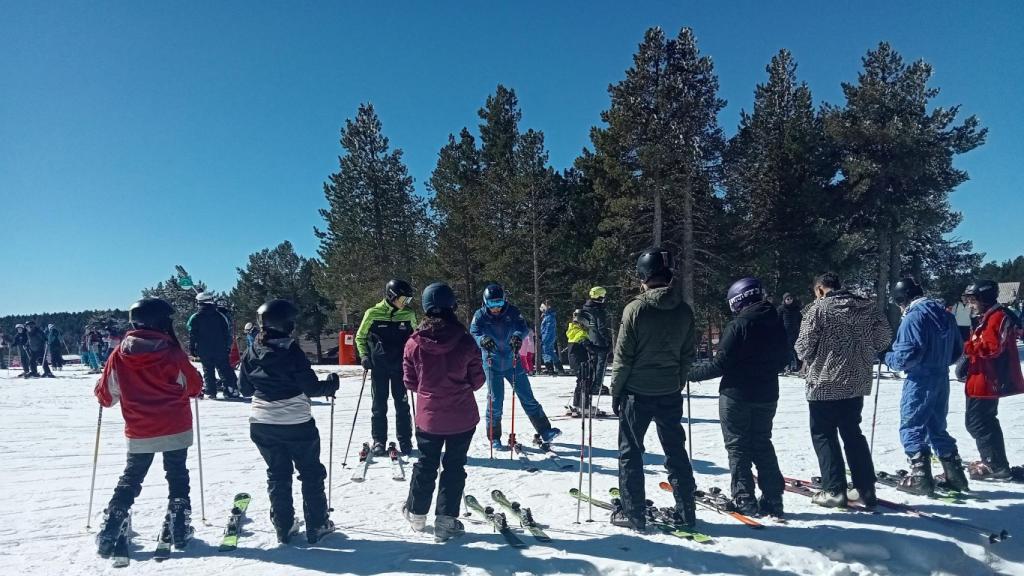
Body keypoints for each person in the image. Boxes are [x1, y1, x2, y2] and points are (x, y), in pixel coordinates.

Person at [93, 298, 203, 557]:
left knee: (132, 477)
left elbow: (106, 396)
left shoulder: (119, 354)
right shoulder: (172, 352)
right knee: (177, 473)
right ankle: (179, 523)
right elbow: (194, 386)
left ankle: (113, 522)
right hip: (175, 426)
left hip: (140, 428)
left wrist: (100, 390)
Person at [609, 247, 698, 531]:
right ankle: (686, 512)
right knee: (675, 450)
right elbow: (687, 354)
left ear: (644, 276)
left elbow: (623, 356)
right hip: (669, 391)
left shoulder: (636, 309)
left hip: (637, 392)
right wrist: (677, 381)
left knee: (631, 452)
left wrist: (616, 390)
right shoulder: (683, 309)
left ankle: (633, 513)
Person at [238, 299, 340, 544]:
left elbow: (243, 388)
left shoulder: (252, 349)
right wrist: (332, 384)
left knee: (278, 472)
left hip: (261, 421)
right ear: (286, 324)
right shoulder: (291, 351)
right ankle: (317, 524)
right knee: (310, 472)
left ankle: (283, 526)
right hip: (295, 421)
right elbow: (311, 387)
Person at [688, 277, 789, 517]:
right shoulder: (776, 322)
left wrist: (690, 374)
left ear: (738, 299)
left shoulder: (740, 325)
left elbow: (720, 363)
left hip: (737, 394)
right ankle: (774, 498)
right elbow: (785, 358)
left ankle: (744, 497)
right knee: (762, 443)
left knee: (738, 446)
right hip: (766, 392)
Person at [794, 272, 891, 508]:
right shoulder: (868, 308)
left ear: (819, 289)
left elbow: (803, 348)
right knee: (852, 433)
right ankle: (865, 488)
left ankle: (834, 489)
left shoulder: (818, 309)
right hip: (856, 381)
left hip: (824, 382)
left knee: (824, 435)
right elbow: (884, 339)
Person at [401, 283, 485, 542]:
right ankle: (446, 520)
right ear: (452, 307)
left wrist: (430, 389)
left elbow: (410, 381)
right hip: (461, 415)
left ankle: (416, 513)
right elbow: (477, 380)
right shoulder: (465, 341)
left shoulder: (414, 342)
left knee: (426, 463)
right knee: (454, 465)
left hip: (429, 416)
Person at [885, 277, 968, 495]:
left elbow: (907, 355)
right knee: (936, 426)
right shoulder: (946, 314)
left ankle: (921, 476)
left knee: (912, 425)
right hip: (940, 376)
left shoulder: (913, 317)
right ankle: (955, 475)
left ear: (903, 298)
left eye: (898, 302)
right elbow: (957, 350)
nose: (900, 307)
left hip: (920, 379)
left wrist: (887, 357)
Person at [470, 283, 561, 450]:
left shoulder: (512, 311)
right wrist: (482, 340)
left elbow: (522, 327)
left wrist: (518, 337)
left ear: (504, 301)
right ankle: (494, 436)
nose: (496, 308)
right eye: (492, 304)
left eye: (499, 303)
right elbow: (474, 331)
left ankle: (545, 430)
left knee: (527, 397)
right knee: (495, 400)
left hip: (513, 361)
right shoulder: (480, 315)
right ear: (485, 302)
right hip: (492, 362)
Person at [960, 280, 1024, 480]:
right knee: (978, 421)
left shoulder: (997, 317)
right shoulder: (986, 317)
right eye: (968, 300)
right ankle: (993, 460)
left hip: (988, 379)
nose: (970, 305)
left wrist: (968, 347)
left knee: (980, 422)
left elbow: (992, 348)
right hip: (980, 377)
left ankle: (996, 464)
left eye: (973, 300)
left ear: (985, 299)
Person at [355, 279, 417, 456]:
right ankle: (379, 441)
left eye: (408, 301)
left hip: (401, 367)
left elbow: (415, 339)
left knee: (402, 405)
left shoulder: (408, 314)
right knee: (379, 406)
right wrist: (364, 356)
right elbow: (360, 337)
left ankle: (405, 440)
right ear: (392, 296)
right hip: (379, 366)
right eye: (403, 299)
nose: (406, 303)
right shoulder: (373, 313)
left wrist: (415, 359)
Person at [187, 292, 238, 398]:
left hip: (204, 349)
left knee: (208, 369)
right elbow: (227, 333)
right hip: (220, 348)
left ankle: (211, 391)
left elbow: (192, 333)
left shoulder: (196, 317)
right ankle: (231, 389)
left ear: (199, 302)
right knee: (224, 368)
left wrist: (192, 348)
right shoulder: (220, 316)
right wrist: (228, 346)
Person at [580, 287, 613, 396]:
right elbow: (601, 327)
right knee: (600, 365)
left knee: (591, 364)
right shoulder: (598, 310)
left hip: (588, 340)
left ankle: (590, 384)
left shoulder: (584, 308)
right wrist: (608, 341)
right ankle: (597, 385)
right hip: (599, 342)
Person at [566, 309, 592, 415]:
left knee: (581, 380)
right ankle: (583, 405)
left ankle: (578, 404)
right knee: (585, 381)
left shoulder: (574, 330)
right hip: (580, 360)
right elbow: (589, 347)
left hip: (576, 360)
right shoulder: (581, 333)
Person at [777, 293, 803, 374]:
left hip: (795, 332)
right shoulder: (781, 309)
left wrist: (801, 329)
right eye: (787, 299)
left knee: (796, 350)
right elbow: (778, 321)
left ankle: (798, 367)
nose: (789, 300)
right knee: (785, 350)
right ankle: (784, 367)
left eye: (790, 299)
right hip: (784, 333)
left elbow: (800, 320)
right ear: (784, 300)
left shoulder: (796, 309)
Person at [540, 300, 564, 375]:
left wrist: (544, 338)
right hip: (547, 336)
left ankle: (553, 368)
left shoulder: (550, 317)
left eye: (542, 307)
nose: (541, 309)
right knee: (548, 351)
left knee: (547, 351)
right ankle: (552, 368)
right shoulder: (547, 316)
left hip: (548, 337)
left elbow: (548, 329)